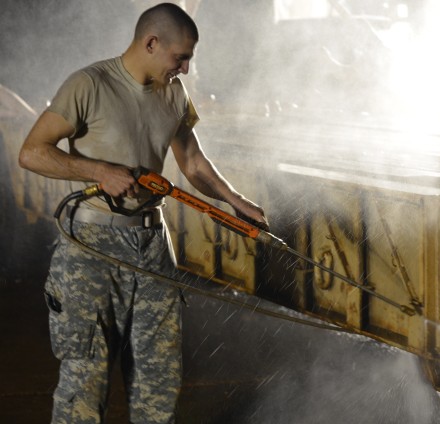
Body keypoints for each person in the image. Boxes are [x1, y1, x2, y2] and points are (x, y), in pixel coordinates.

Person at [18, 3, 269, 423]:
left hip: (153, 246)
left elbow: (192, 163)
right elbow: (32, 152)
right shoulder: (89, 84)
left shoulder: (173, 92)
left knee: (159, 378)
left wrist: (234, 200)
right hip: (92, 248)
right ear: (151, 43)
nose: (186, 69)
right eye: (180, 57)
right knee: (86, 378)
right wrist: (98, 170)